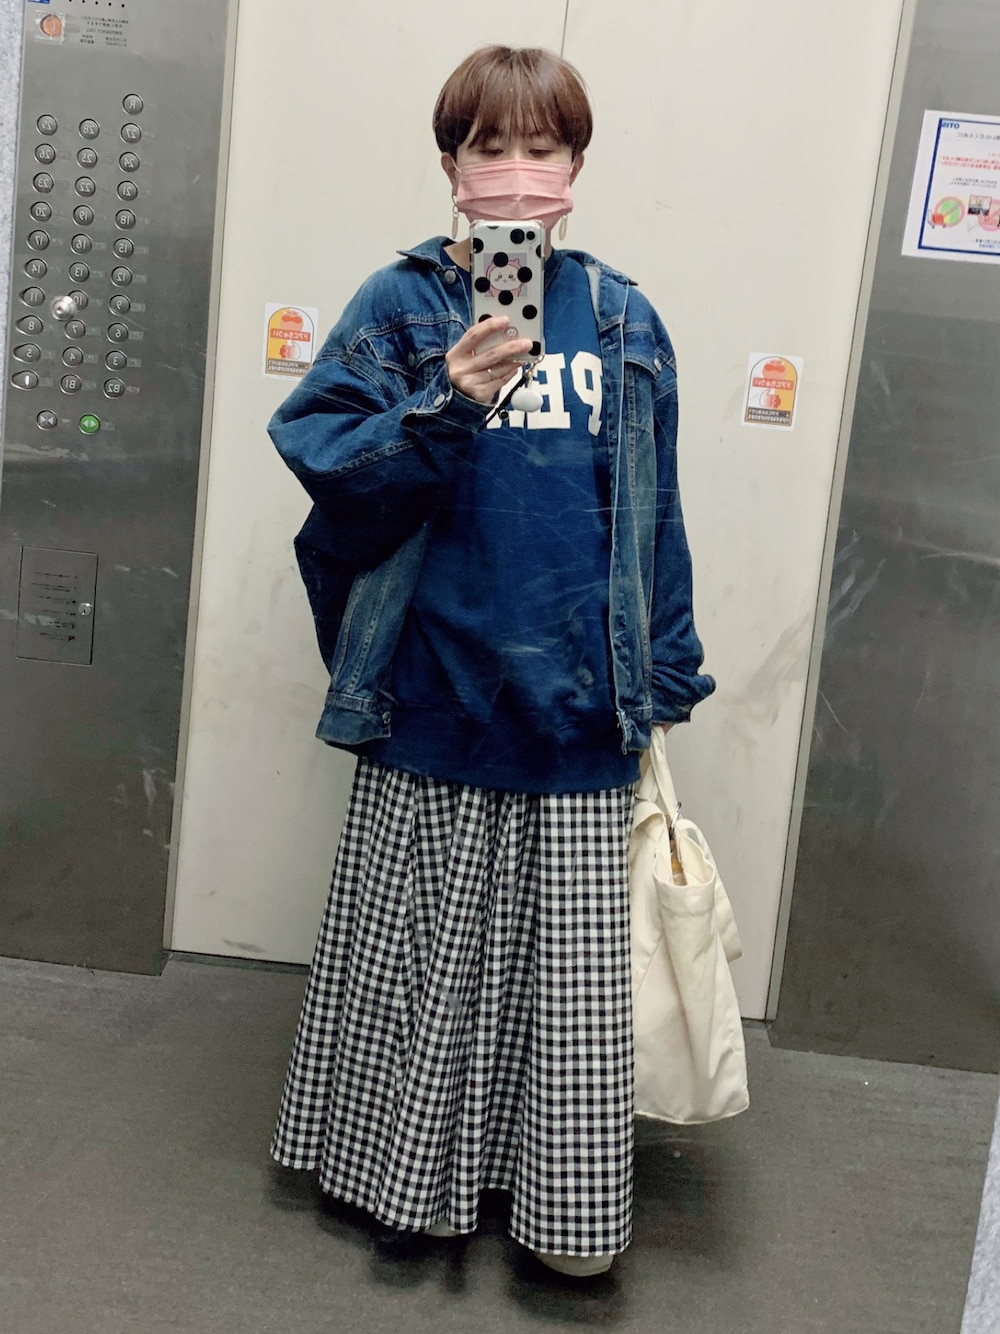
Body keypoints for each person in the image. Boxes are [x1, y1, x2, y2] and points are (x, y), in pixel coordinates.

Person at [267, 44, 715, 1279]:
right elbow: (329, 472)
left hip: (576, 698)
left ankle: (547, 1203)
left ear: (576, 166)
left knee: (559, 990)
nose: (517, 171)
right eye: (490, 147)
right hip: (432, 683)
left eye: (542, 147)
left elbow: (654, 513)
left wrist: (662, 673)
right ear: (450, 165)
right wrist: (448, 402)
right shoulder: (400, 304)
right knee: (413, 967)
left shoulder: (621, 317)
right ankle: (402, 1185)